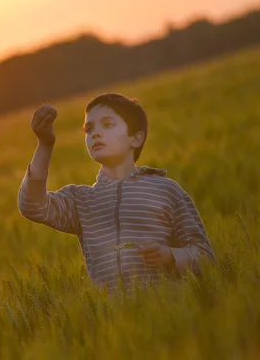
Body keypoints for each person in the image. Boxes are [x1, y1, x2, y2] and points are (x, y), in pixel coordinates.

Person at [17, 93, 215, 292]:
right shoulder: (81, 201)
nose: (95, 134)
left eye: (108, 125)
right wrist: (45, 144)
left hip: (164, 313)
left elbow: (205, 256)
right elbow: (32, 206)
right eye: (89, 129)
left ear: (135, 138)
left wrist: (170, 256)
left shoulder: (166, 191)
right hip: (112, 318)